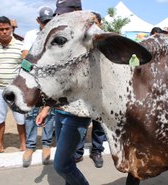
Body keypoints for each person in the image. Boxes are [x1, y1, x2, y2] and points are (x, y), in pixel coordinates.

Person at [36, 0, 92, 184]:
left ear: (78, 12)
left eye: (65, 13)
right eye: (59, 14)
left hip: (77, 112)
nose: (60, 17)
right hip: (60, 111)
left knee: (61, 165)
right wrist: (46, 108)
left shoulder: (89, 40)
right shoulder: (60, 42)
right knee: (66, 161)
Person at [0, 16, 26, 154]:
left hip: (16, 90)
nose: (4, 32)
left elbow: (26, 66)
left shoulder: (21, 46)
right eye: (1, 29)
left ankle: (23, 144)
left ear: (11, 29)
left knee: (20, 118)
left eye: (7, 29)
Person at [22, 6, 55, 168]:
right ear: (38, 21)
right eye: (44, 22)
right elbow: (25, 57)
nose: (47, 24)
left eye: (50, 21)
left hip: (50, 81)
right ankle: (30, 146)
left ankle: (47, 145)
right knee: (31, 113)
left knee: (49, 112)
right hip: (33, 81)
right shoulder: (30, 35)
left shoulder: (56, 34)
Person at [74, 12, 106, 169]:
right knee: (81, 123)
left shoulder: (107, 41)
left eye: (95, 22)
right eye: (89, 22)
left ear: (100, 24)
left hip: (101, 90)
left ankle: (97, 151)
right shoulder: (80, 42)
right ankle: (78, 152)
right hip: (84, 90)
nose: (92, 25)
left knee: (99, 125)